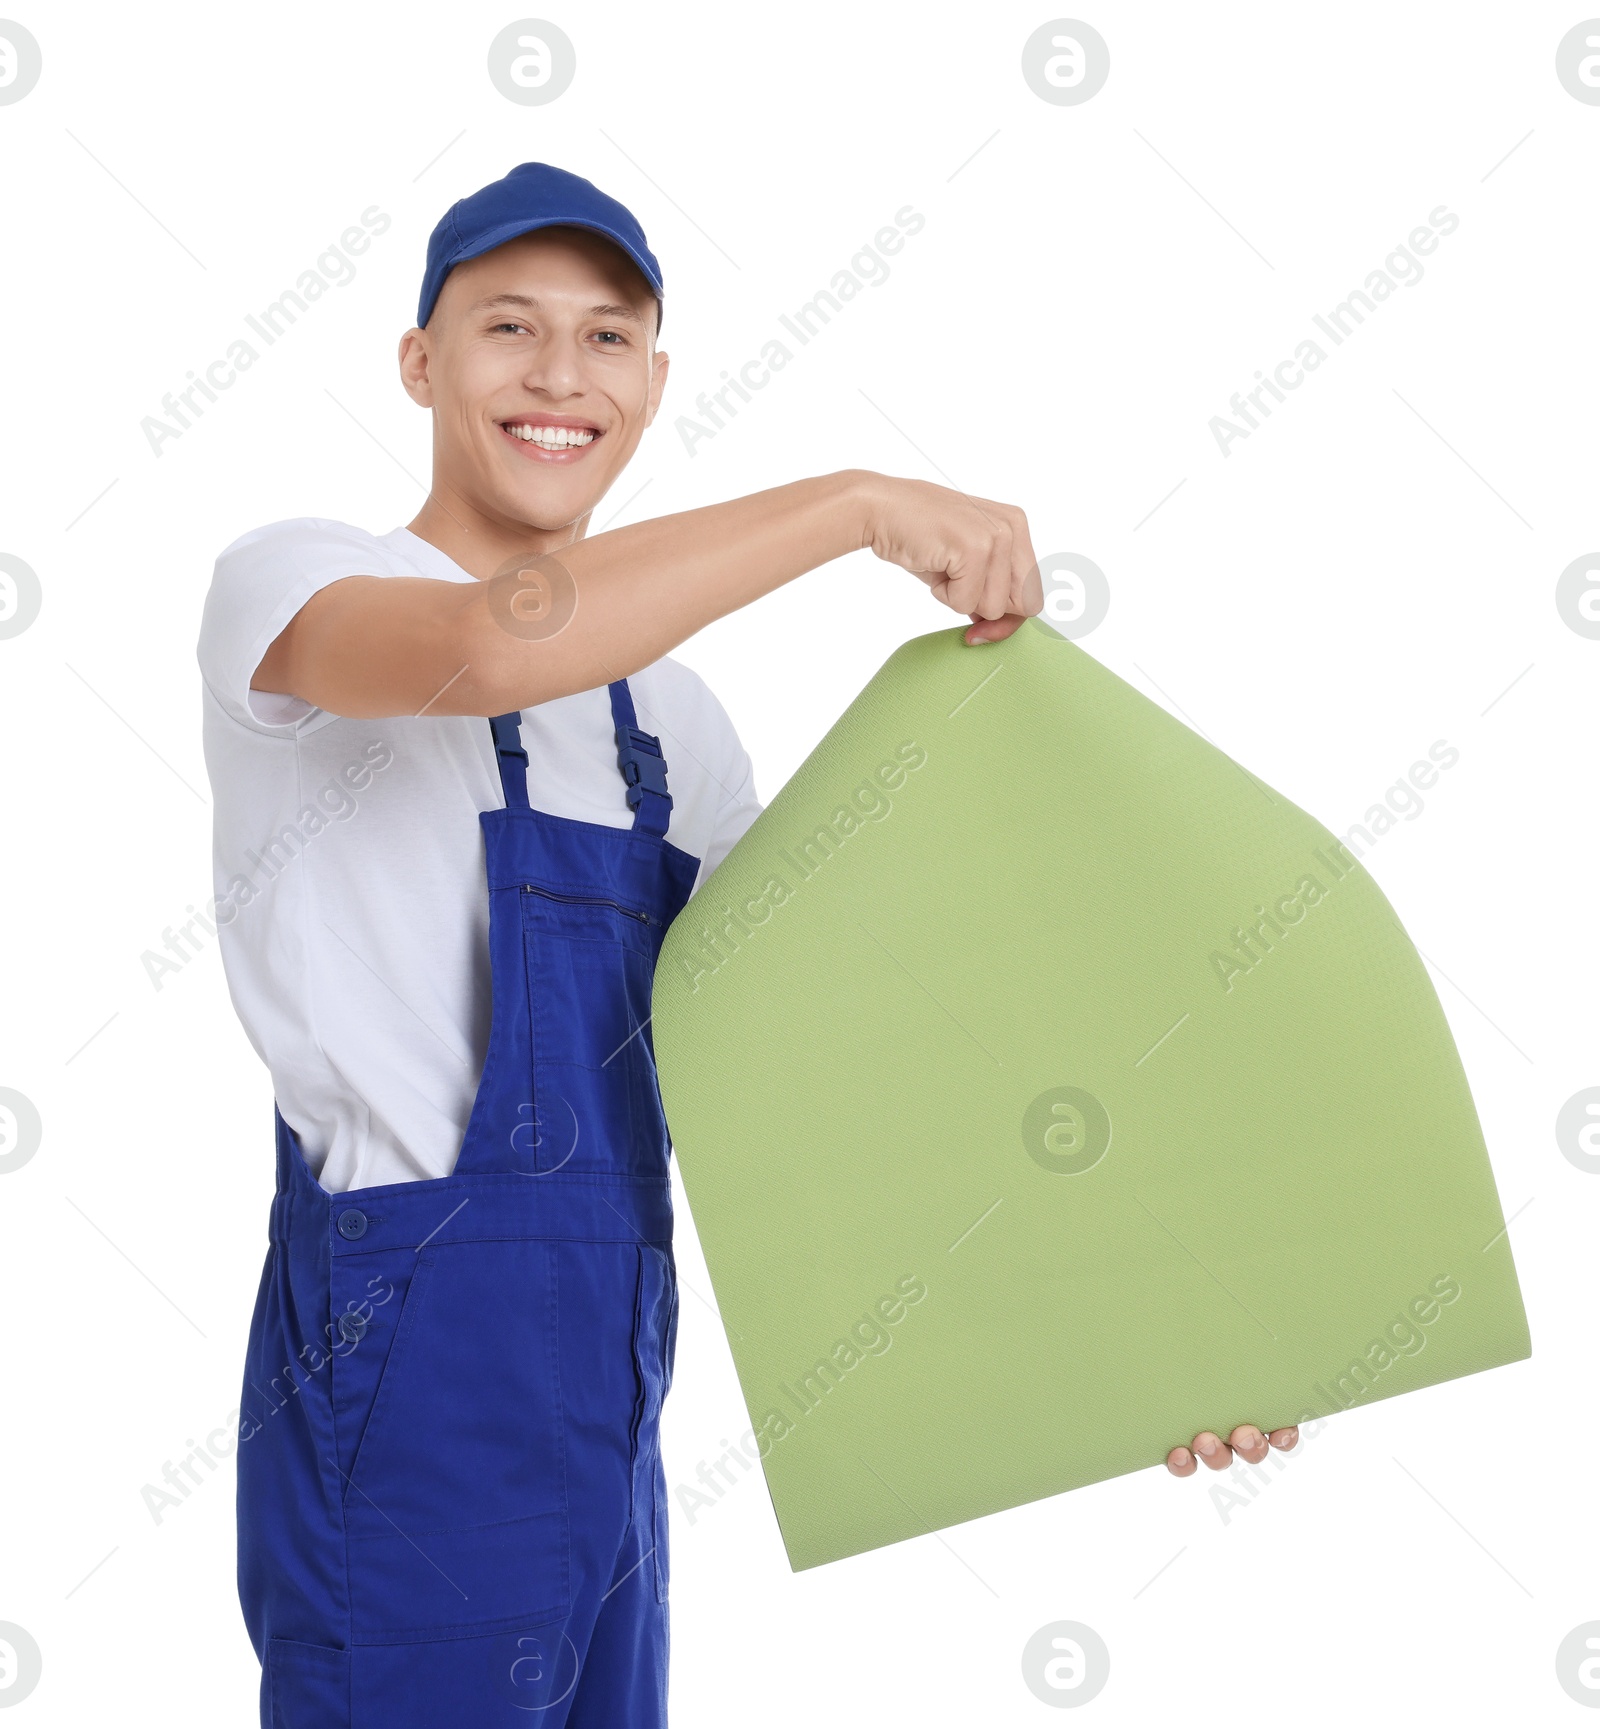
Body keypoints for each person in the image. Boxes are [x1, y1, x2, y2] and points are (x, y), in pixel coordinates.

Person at [197, 160, 1290, 1729]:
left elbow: (840, 1087)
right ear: (418, 362)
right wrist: (851, 505)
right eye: (509, 327)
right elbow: (477, 643)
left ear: (652, 378)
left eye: (610, 337)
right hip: (412, 1387)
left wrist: (1172, 1345)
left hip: (611, 1400)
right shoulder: (295, 582)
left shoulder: (671, 730)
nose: (561, 377)